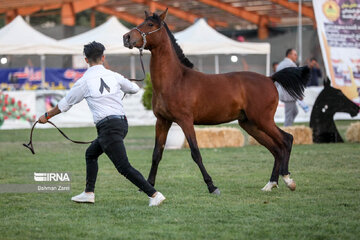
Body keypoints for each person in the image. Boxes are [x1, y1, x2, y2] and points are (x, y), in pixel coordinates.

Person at [38, 41, 165, 207]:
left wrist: (46, 116)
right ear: (103, 58)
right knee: (91, 154)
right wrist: (124, 83)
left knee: (123, 167)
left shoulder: (84, 82)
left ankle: (154, 194)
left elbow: (65, 105)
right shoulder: (114, 76)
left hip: (108, 128)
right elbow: (134, 89)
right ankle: (88, 193)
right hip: (121, 124)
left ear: (85, 60)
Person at [275, 48, 299, 126]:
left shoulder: (281, 64)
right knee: (289, 115)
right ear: (289, 55)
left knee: (294, 112)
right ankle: (287, 130)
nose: (296, 56)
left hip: (284, 92)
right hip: (289, 93)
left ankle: (288, 127)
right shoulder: (291, 64)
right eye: (295, 54)